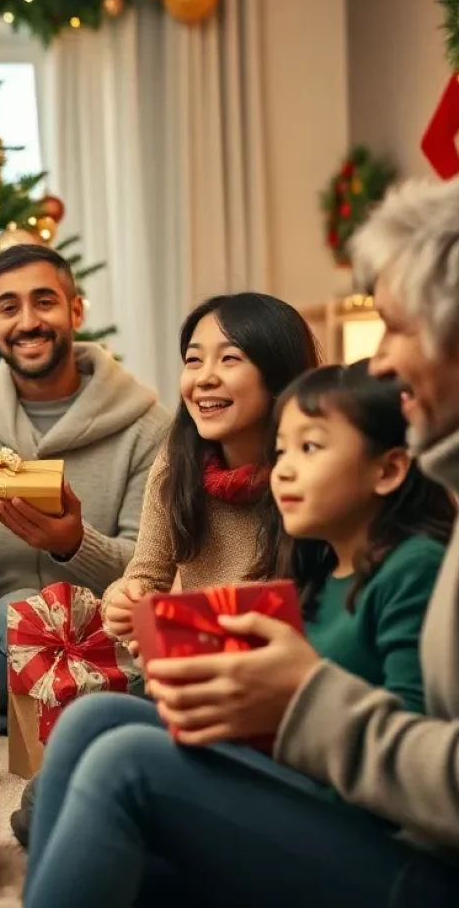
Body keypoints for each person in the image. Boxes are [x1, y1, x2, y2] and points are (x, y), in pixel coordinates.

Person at [22, 181, 459, 908]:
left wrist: (298, 699)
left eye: (398, 328)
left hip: (408, 850)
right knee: (94, 724)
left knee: (125, 770)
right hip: (316, 765)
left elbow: (371, 719)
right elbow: (146, 577)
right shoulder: (186, 461)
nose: (379, 362)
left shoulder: (375, 547)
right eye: (194, 358)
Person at [0, 244, 171, 720]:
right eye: (9, 308)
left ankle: (39, 719)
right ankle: (45, 715)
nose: (27, 322)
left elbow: (154, 576)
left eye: (44, 302)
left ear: (76, 310)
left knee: (96, 654)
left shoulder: (147, 429)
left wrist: (75, 546)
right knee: (27, 611)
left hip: (101, 654)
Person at [102, 292, 320, 651]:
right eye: (193, 360)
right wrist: (125, 602)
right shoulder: (176, 465)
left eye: (229, 358)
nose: (203, 379)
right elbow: (146, 576)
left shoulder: (313, 475)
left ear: (279, 375)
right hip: (195, 674)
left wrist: (185, 624)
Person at [273, 360, 452, 712]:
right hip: (283, 755)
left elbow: (413, 724)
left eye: (309, 447)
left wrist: (300, 685)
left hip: (335, 765)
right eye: (280, 451)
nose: (282, 471)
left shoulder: (415, 566)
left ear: (388, 470)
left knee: (135, 747)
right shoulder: (317, 568)